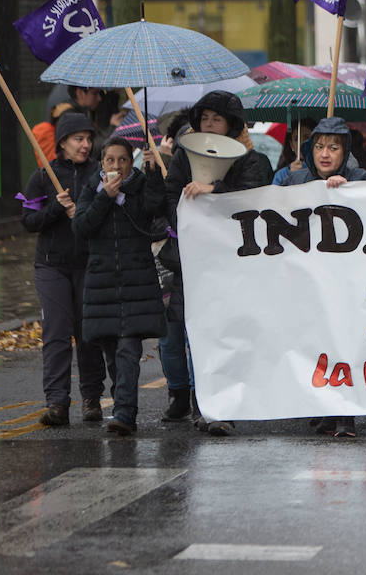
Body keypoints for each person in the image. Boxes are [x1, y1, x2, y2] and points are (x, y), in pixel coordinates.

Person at [165, 91, 274, 435]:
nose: (210, 124)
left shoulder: (250, 160)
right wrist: (184, 207)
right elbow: (169, 199)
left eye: (217, 119)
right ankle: (207, 407)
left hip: (234, 263)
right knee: (196, 332)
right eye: (205, 118)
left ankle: (225, 403)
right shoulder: (183, 158)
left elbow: (254, 200)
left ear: (231, 125)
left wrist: (216, 190)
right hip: (193, 262)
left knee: (228, 334)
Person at [280, 116, 366, 438]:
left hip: (349, 280)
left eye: (333, 147)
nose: (325, 153)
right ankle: (327, 409)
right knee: (318, 344)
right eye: (318, 147)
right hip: (311, 279)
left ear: (345, 151)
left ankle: (347, 416)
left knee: (346, 344)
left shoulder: (360, 177)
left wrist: (365, 189)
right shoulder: (295, 181)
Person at [72, 137, 166, 436]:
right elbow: (81, 227)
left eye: (122, 160)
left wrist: (152, 174)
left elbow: (155, 209)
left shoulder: (138, 186)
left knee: (128, 348)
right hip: (103, 286)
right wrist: (105, 198)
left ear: (131, 162)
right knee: (112, 351)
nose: (116, 166)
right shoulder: (92, 189)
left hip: (136, 281)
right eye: (110, 160)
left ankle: (125, 411)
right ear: (102, 164)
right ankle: (123, 401)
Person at [21, 111, 109, 427]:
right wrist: (56, 209)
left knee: (89, 335)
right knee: (56, 335)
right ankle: (57, 403)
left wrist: (85, 213)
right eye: (78, 139)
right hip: (51, 267)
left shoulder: (100, 175)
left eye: (88, 139)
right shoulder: (43, 177)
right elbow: (28, 221)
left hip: (88, 264)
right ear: (62, 143)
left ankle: (91, 400)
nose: (85, 145)